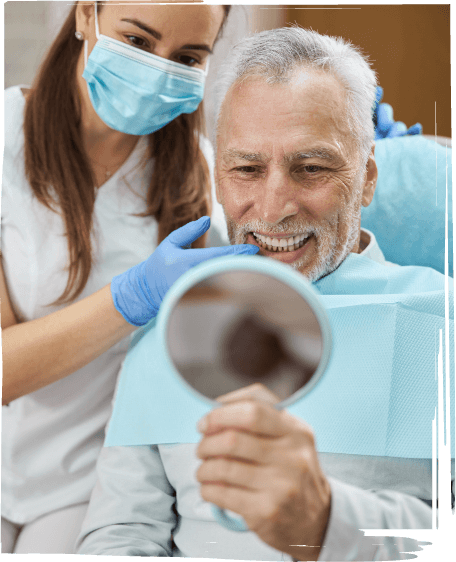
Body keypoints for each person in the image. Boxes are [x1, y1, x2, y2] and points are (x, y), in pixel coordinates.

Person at [74, 27, 453, 560]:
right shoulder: (167, 333)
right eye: (247, 169)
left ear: (367, 179)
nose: (273, 208)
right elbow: (120, 534)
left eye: (312, 169)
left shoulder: (444, 325)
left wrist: (327, 522)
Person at [0, 0, 264, 554]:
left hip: (89, 483)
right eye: (139, 42)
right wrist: (133, 297)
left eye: (188, 56)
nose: (157, 70)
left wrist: (355, 147)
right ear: (85, 15)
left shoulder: (201, 177)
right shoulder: (7, 140)